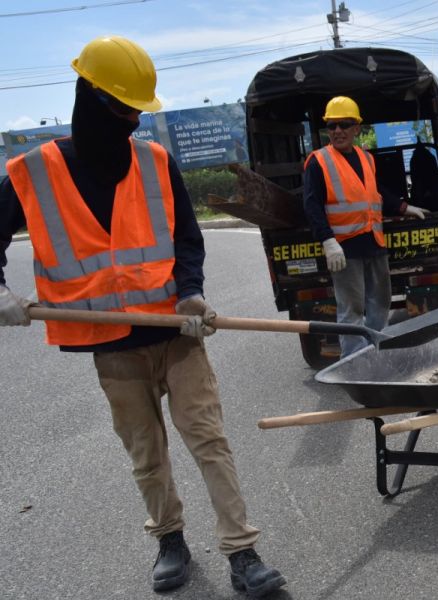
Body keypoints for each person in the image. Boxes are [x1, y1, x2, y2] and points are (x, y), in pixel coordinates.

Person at [0, 36, 286, 596]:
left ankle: (242, 551)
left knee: (208, 439)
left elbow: (186, 238)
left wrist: (191, 293)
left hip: (176, 333)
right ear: (89, 97)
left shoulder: (155, 162)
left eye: (137, 111)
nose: (131, 122)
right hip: (112, 344)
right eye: (122, 108)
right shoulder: (30, 173)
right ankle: (170, 539)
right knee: (145, 450)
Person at [302, 96, 428, 358]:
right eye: (332, 125)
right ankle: (355, 363)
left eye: (345, 125)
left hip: (374, 243)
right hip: (345, 249)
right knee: (351, 310)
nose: (338, 131)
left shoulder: (365, 158)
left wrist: (403, 207)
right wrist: (327, 241)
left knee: (380, 303)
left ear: (357, 128)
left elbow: (375, 192)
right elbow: (312, 205)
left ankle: (375, 353)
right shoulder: (319, 161)